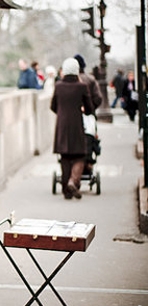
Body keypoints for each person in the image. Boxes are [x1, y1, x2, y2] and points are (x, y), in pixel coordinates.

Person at [51, 57, 95, 200]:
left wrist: (63, 112)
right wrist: (82, 109)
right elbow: (89, 109)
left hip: (62, 126)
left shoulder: (58, 86)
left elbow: (53, 106)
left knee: (65, 157)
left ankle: (66, 191)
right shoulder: (82, 87)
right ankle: (73, 181)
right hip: (77, 125)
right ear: (77, 71)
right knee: (79, 156)